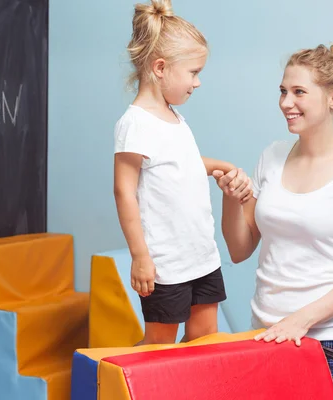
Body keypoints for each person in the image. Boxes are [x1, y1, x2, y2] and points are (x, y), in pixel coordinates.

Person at [213, 42, 333, 399]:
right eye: (282, 91)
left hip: (329, 347)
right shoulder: (273, 156)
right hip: (264, 337)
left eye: (298, 92)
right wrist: (231, 200)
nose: (285, 103)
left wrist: (301, 320)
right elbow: (239, 249)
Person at [113, 0, 252, 345]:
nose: (198, 82)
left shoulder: (174, 117)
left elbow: (179, 164)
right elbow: (124, 191)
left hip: (202, 257)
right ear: (160, 68)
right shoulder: (135, 124)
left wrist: (219, 166)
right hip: (166, 266)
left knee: (204, 341)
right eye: (193, 72)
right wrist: (140, 256)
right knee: (159, 349)